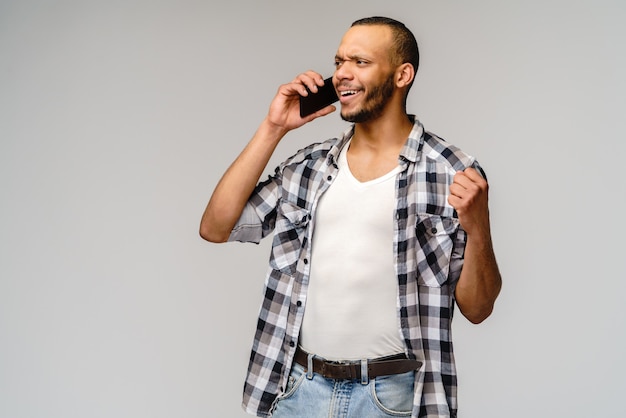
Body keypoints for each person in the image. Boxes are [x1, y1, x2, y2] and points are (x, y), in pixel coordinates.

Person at [200, 16, 501, 418]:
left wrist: (478, 227)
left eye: (360, 62)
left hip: (392, 399)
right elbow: (216, 227)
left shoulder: (451, 171)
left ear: (401, 75)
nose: (341, 73)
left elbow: (478, 309)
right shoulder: (310, 166)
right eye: (339, 61)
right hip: (297, 391)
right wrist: (274, 128)